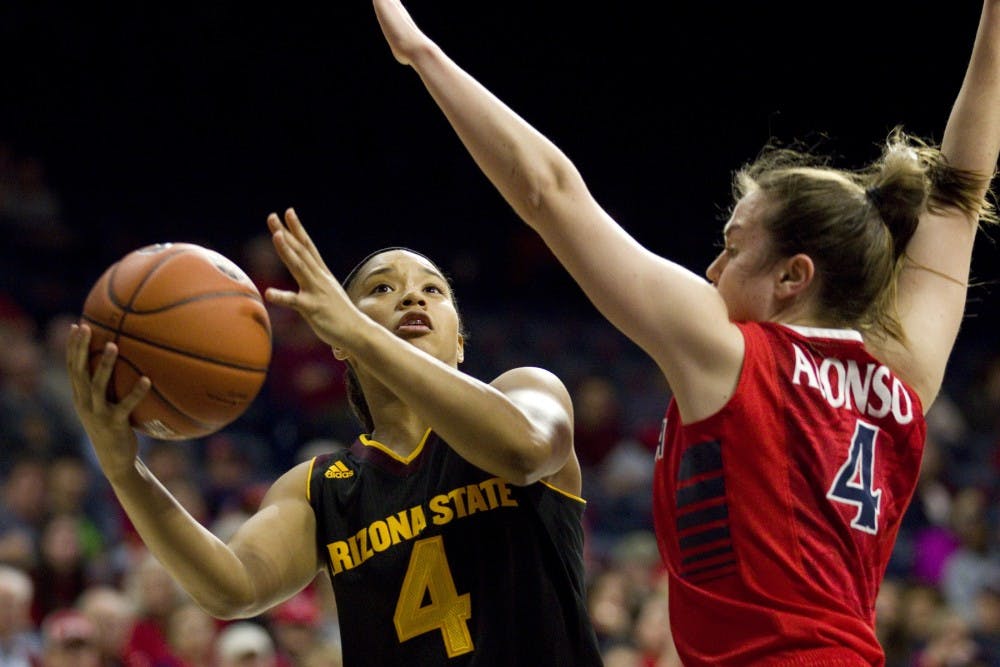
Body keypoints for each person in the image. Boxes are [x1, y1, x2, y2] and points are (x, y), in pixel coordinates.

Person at [369, 0, 1000, 664]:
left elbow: (547, 191)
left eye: (732, 247)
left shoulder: (732, 354)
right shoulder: (905, 375)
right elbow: (960, 192)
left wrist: (422, 53)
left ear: (792, 276)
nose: (711, 267)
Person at [65, 210, 603, 666]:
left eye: (432, 289)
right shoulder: (320, 487)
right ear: (338, 342)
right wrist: (123, 470)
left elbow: (526, 450)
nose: (411, 296)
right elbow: (231, 588)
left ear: (460, 343)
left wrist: (363, 329)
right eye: (382, 288)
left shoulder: (527, 392)